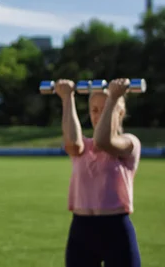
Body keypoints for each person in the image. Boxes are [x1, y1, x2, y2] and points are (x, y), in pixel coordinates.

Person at [56, 78, 141, 267]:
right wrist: (67, 98)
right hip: (82, 229)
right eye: (94, 110)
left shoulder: (129, 143)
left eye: (106, 109)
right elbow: (72, 143)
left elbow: (104, 140)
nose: (99, 115)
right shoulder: (82, 147)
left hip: (116, 229)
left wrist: (113, 97)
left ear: (121, 112)